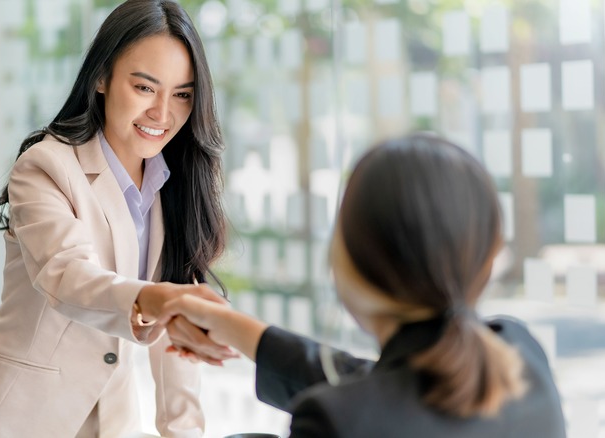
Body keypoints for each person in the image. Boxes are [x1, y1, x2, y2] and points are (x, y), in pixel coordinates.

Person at [0, 1, 234, 436]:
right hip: (6, 417)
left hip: (106, 421)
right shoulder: (46, 167)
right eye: (145, 88)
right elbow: (67, 276)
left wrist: (183, 431)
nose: (163, 114)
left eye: (182, 95)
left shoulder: (176, 183)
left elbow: (175, 338)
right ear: (101, 78)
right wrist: (156, 300)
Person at [158, 134, 567, 437]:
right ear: (488, 256)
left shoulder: (336, 422)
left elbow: (366, 402)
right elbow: (382, 389)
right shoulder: (521, 355)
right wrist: (237, 329)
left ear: (350, 260)